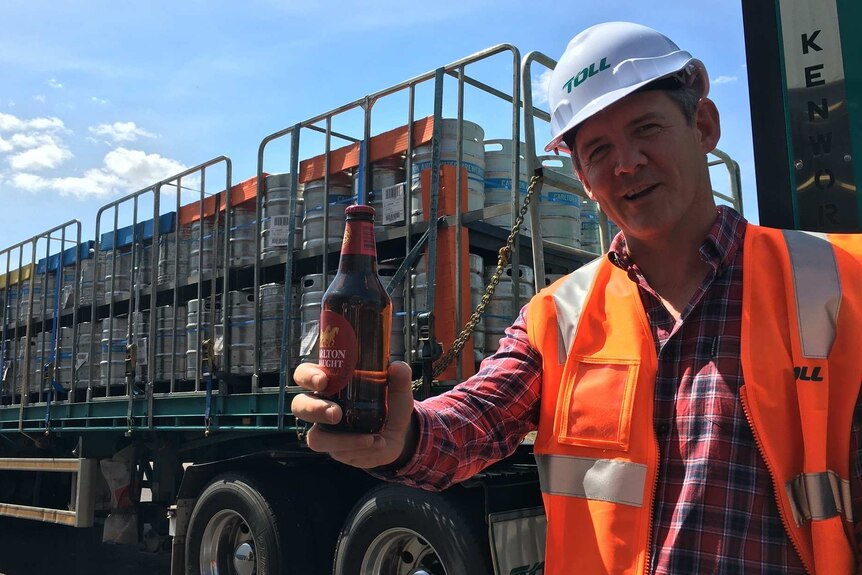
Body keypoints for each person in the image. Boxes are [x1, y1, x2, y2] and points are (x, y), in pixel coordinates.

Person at [291, 21, 862, 574]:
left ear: (704, 126)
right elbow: (478, 418)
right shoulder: (558, 315)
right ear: (583, 179)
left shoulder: (839, 278)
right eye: (598, 150)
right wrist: (404, 434)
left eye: (647, 129)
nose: (627, 163)